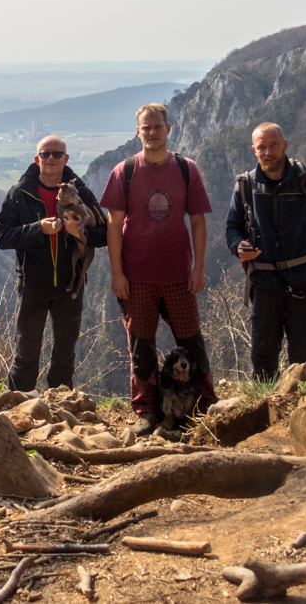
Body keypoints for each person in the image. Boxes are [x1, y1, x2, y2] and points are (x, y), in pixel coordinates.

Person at [100, 103, 216, 435]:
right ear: (138, 132)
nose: (152, 133)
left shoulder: (185, 169)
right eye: (145, 128)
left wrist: (199, 267)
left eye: (157, 127)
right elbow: (114, 225)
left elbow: (198, 221)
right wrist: (117, 272)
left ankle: (205, 404)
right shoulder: (125, 171)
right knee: (141, 346)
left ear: (168, 129)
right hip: (137, 277)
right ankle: (146, 411)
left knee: (192, 342)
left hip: (180, 275)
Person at [224, 122, 306, 380]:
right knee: (263, 355)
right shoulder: (245, 186)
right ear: (254, 150)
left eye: (273, 146)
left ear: (285, 145)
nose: (268, 153)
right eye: (262, 148)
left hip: (301, 280)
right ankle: (268, 411)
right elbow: (232, 227)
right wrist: (239, 247)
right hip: (264, 282)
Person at [0, 135, 108, 392]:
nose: (51, 159)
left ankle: (61, 414)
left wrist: (80, 231)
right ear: (37, 159)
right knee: (26, 354)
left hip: (71, 286)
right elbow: (1, 236)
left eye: (57, 154)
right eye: (46, 154)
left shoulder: (82, 193)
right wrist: (37, 230)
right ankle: (18, 410)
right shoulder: (20, 193)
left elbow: (106, 233)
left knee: (64, 357)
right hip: (33, 286)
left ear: (66, 158)